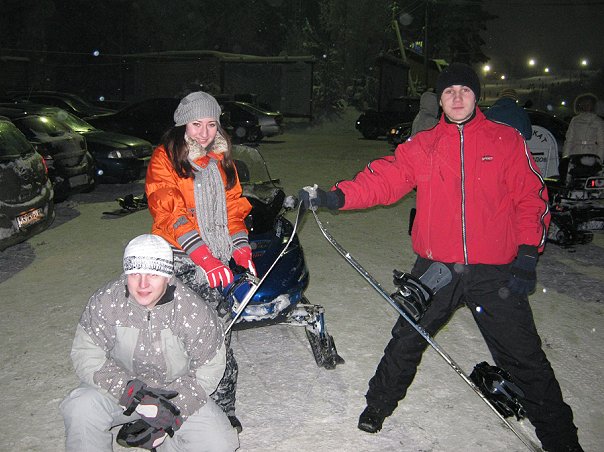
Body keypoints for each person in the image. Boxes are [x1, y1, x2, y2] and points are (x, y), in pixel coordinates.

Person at [299, 63, 583, 452]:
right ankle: (377, 406)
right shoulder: (424, 145)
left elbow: (530, 199)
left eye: (464, 90)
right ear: (441, 99)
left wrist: (527, 254)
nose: (457, 97)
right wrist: (335, 196)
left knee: (525, 359)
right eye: (449, 92)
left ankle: (562, 440)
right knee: (406, 338)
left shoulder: (505, 141)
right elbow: (385, 179)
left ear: (476, 96)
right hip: (438, 269)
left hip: (495, 272)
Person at [60, 234, 239, 451]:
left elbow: (209, 368)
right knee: (81, 407)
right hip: (120, 389)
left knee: (220, 443)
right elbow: (86, 354)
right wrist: (131, 392)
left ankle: (166, 443)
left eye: (153, 274)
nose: (143, 284)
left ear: (168, 276)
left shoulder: (193, 311)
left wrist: (172, 412)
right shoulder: (106, 301)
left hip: (174, 392)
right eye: (135, 273)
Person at [145, 91, 254, 433]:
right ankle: (171, 403)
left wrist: (240, 245)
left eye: (211, 124)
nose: (204, 133)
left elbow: (234, 208)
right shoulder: (165, 159)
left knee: (219, 335)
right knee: (178, 337)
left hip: (216, 258)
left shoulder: (222, 160)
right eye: (196, 124)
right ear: (182, 125)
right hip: (178, 257)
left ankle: (223, 407)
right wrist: (202, 256)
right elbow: (169, 212)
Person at [561, 93, 604, 183]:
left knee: (589, 180)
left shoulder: (598, 121)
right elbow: (569, 140)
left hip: (592, 154)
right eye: (584, 104)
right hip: (575, 154)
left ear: (593, 105)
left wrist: (599, 159)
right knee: (575, 179)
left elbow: (601, 142)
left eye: (588, 104)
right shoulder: (575, 120)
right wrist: (565, 157)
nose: (586, 106)